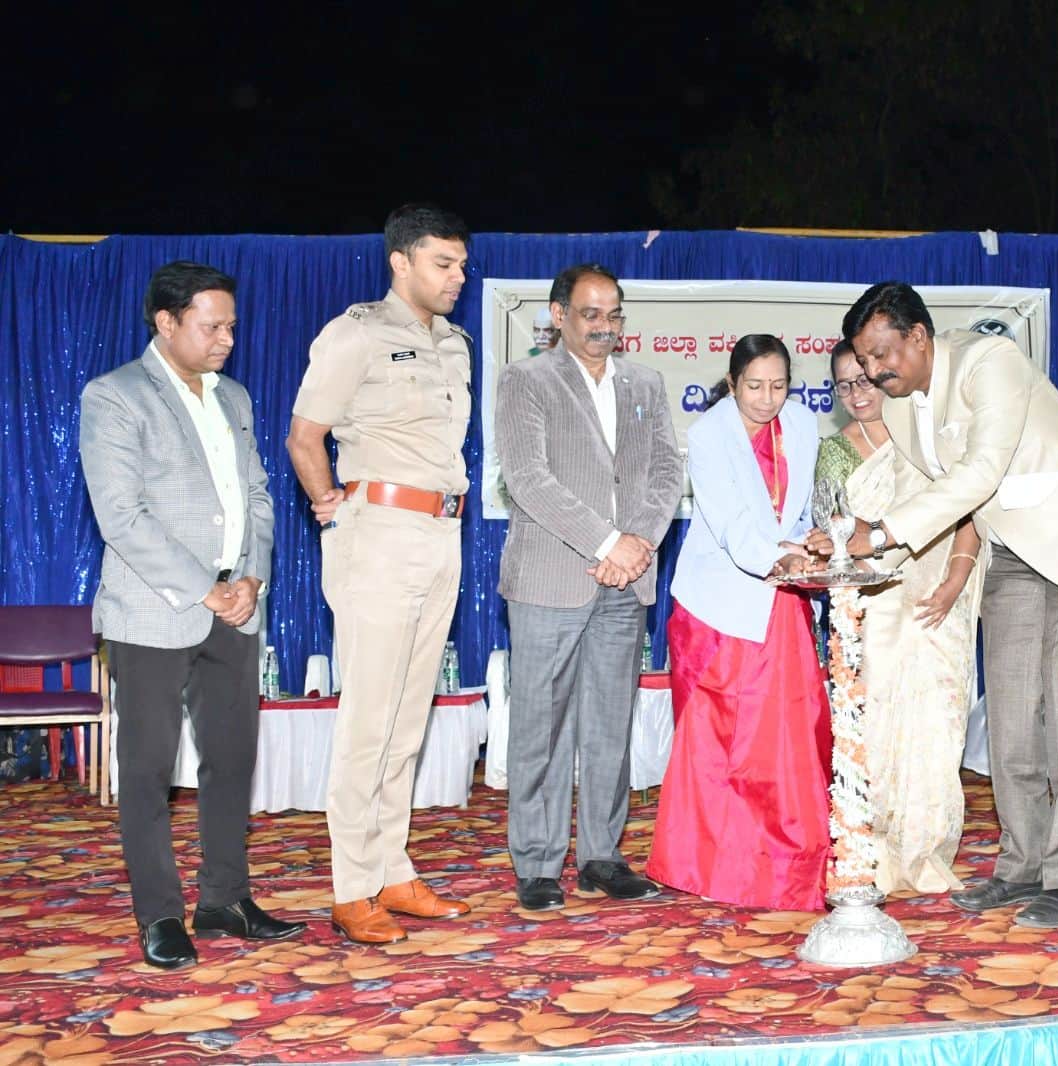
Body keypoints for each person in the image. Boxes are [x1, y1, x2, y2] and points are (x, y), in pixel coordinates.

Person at [839, 282, 1058, 928]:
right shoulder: (902, 405)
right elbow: (927, 493)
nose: (874, 371)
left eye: (882, 354)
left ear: (919, 337)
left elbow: (979, 472)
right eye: (864, 361)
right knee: (1012, 718)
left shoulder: (987, 362)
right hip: (1010, 552)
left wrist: (882, 535)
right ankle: (1022, 864)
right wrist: (844, 539)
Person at [80, 261, 305, 969]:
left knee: (231, 760)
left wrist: (252, 577)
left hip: (237, 607)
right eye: (212, 326)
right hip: (154, 609)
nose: (227, 339)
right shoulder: (114, 396)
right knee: (148, 768)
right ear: (166, 322)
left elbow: (258, 495)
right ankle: (159, 915)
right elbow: (121, 516)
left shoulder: (233, 396)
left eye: (232, 326)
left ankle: (224, 901)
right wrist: (207, 589)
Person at [285, 204, 474, 944]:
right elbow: (305, 436)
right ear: (401, 262)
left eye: (462, 265)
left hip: (443, 531)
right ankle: (351, 887)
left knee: (408, 717)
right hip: (380, 533)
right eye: (443, 263)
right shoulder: (355, 333)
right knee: (369, 717)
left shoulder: (454, 343)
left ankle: (393, 869)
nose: (457, 277)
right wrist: (329, 507)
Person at [495, 263, 682, 912]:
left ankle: (602, 856)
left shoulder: (645, 383)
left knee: (609, 724)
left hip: (625, 581)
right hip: (551, 576)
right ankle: (538, 863)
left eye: (614, 314)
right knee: (540, 726)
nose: (605, 326)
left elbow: (667, 472)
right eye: (591, 314)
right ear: (558, 315)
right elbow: (528, 478)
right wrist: (608, 543)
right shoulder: (525, 380)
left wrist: (638, 544)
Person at [646, 335, 832, 911]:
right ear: (732, 383)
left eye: (779, 385)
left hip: (781, 601)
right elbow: (730, 524)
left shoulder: (802, 425)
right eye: (754, 386)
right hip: (719, 605)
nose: (767, 398)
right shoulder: (708, 435)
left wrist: (809, 544)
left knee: (784, 736)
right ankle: (707, 867)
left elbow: (796, 510)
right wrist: (779, 558)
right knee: (719, 741)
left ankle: (785, 864)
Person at [814, 340, 982, 895]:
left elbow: (967, 512)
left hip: (939, 601)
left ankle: (927, 854)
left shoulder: (927, 437)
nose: (857, 393)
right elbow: (836, 537)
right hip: (876, 608)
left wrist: (954, 581)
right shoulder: (836, 453)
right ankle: (879, 854)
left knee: (938, 727)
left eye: (865, 380)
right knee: (880, 730)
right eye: (844, 385)